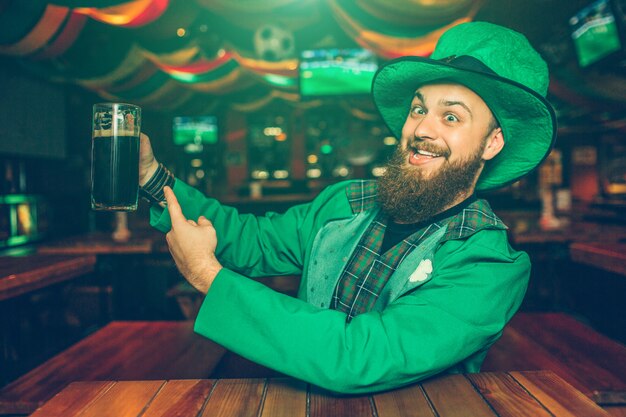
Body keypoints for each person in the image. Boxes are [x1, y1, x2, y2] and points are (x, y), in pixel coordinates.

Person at [138, 21, 556, 394]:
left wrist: (209, 278)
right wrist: (151, 176)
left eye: (451, 118)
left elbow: (359, 357)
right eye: (418, 109)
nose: (422, 129)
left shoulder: (488, 263)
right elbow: (248, 240)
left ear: (492, 142)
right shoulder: (346, 203)